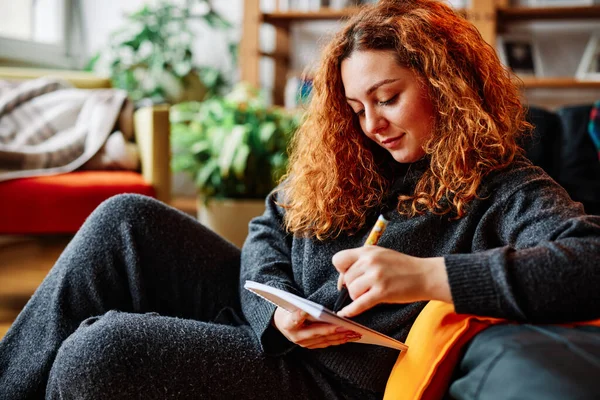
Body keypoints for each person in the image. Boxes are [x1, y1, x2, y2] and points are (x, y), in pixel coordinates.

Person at [2, 0, 600, 398]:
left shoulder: (503, 184)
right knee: (124, 218)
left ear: (448, 86)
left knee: (99, 352)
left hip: (328, 377)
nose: (372, 126)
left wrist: (427, 277)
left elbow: (589, 260)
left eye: (388, 98)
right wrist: (274, 312)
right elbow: (269, 223)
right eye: (357, 108)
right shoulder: (354, 156)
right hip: (275, 326)